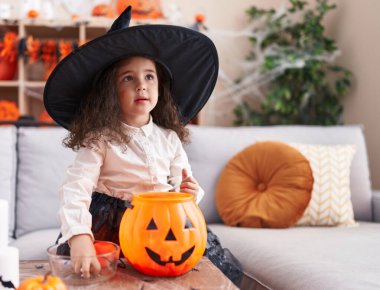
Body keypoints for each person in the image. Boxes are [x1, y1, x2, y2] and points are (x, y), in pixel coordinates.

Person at [44, 6, 242, 286]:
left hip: (163, 225)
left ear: (160, 87)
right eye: (128, 78)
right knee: (115, 281)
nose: (142, 85)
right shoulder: (100, 139)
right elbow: (75, 188)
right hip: (113, 228)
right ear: (110, 92)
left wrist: (189, 192)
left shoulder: (169, 138)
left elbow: (182, 185)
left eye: (149, 76)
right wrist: (79, 237)